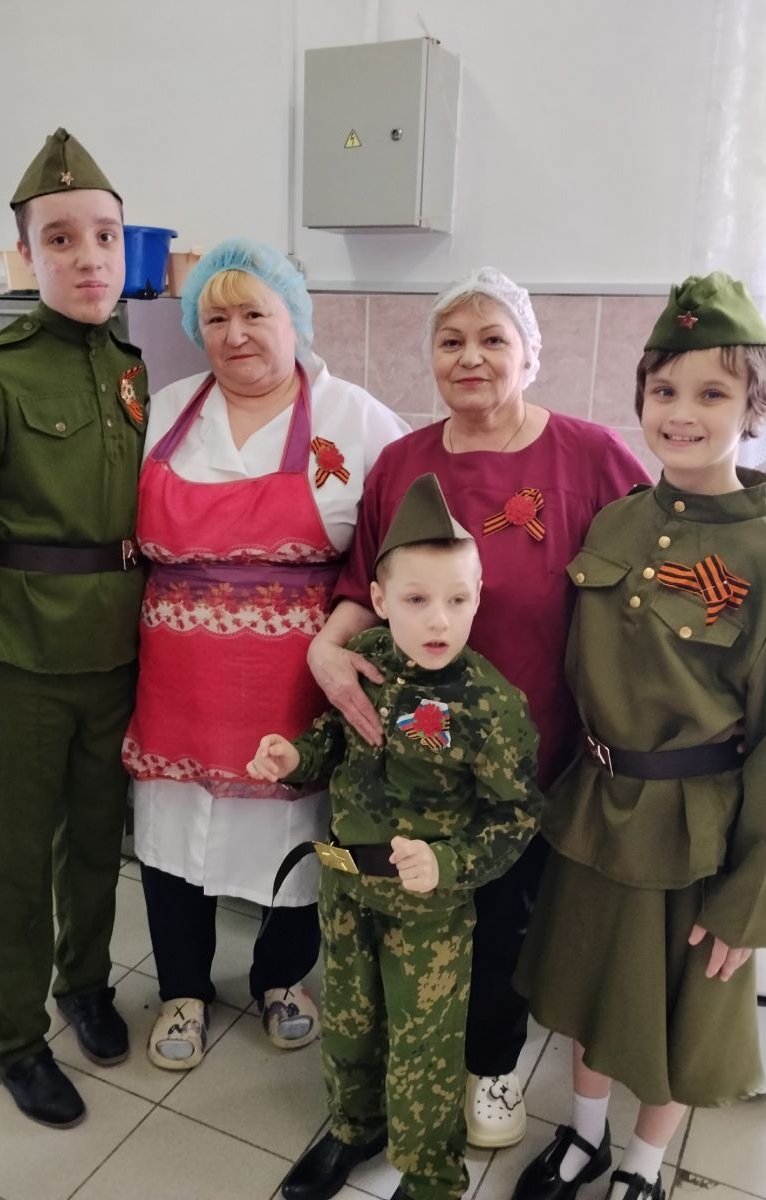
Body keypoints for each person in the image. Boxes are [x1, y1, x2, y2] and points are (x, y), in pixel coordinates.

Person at [307, 266, 649, 1147]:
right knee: (410, 913)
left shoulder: (588, 457)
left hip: (532, 750)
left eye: (494, 340)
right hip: (413, 749)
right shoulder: (402, 464)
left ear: (530, 354)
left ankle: (491, 1066)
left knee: (502, 918)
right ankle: (389, 1067)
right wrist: (324, 648)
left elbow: (648, 582)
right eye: (451, 341)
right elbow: (361, 583)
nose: (471, 358)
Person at [511, 272, 766, 1200]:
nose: (681, 413)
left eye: (712, 393)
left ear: (754, 407)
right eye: (664, 389)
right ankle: (585, 1137)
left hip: (693, 833)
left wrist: (752, 898)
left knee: (674, 1016)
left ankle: (642, 1164)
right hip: (596, 808)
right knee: (590, 990)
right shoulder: (618, 520)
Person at [120, 238, 410, 1069]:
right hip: (177, 683)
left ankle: (282, 979)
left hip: (294, 687)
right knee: (171, 838)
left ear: (296, 319)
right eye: (216, 319)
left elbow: (397, 549)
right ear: (195, 328)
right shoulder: (166, 411)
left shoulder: (354, 420)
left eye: (255, 313)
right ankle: (183, 989)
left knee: (293, 836)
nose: (236, 333)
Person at [0, 129, 145, 1128]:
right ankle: (13, 1034)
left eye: (105, 236)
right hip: (19, 659)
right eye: (61, 238)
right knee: (12, 859)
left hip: (118, 655)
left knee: (94, 843)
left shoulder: (135, 371)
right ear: (26, 256)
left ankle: (83, 984)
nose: (88, 257)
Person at [248, 473, 543, 1200]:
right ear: (379, 600)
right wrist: (293, 758)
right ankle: (355, 1127)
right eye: (416, 600)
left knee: (423, 1049)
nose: (438, 620)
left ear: (479, 595)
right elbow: (334, 736)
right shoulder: (368, 660)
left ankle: (431, 1176)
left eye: (457, 600)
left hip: (429, 912)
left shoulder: (490, 704)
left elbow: (515, 818)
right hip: (347, 886)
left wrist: (446, 862)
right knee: (349, 1025)